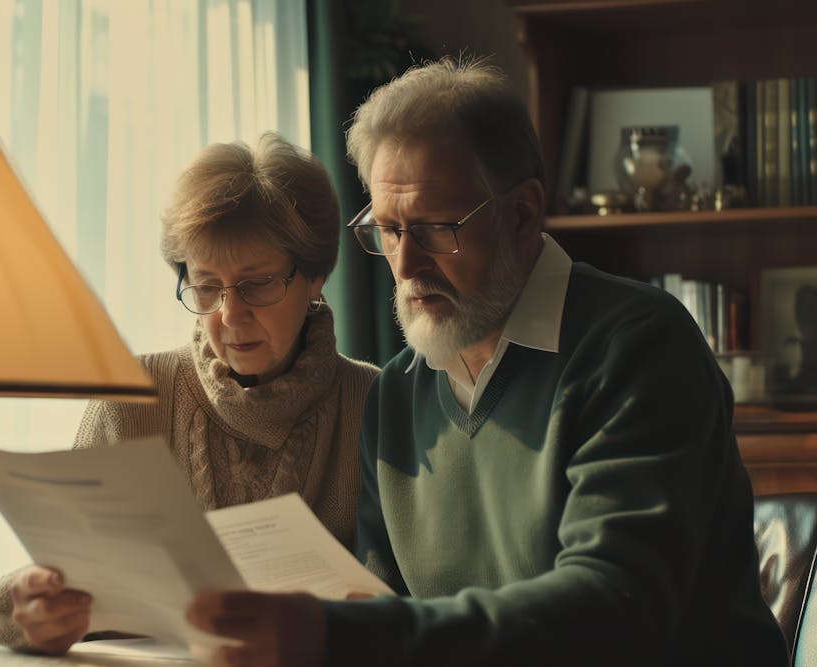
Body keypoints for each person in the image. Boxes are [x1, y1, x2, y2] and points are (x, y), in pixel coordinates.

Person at [184, 59, 789, 666]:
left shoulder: (636, 348)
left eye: (434, 229)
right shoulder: (398, 393)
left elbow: (614, 609)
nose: (405, 265)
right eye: (388, 231)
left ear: (522, 214)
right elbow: (381, 607)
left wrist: (337, 635)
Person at [0, 132, 379, 654]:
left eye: (256, 284)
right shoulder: (132, 401)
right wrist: (31, 608)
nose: (230, 316)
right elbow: (26, 596)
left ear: (317, 276)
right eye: (206, 286)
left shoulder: (373, 403)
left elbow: (411, 605)